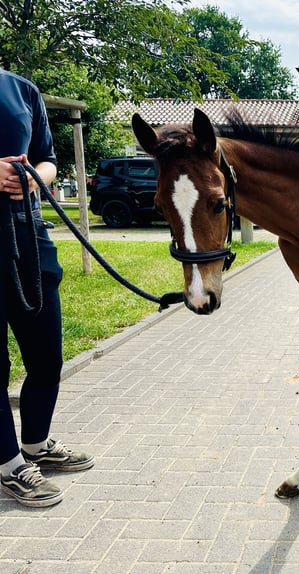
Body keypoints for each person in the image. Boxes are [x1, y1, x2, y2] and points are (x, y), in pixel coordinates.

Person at [0, 68, 93, 507]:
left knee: (47, 357)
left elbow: (48, 159)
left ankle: (35, 444)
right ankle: (9, 466)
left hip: (28, 236)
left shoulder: (21, 89)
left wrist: (37, 176)